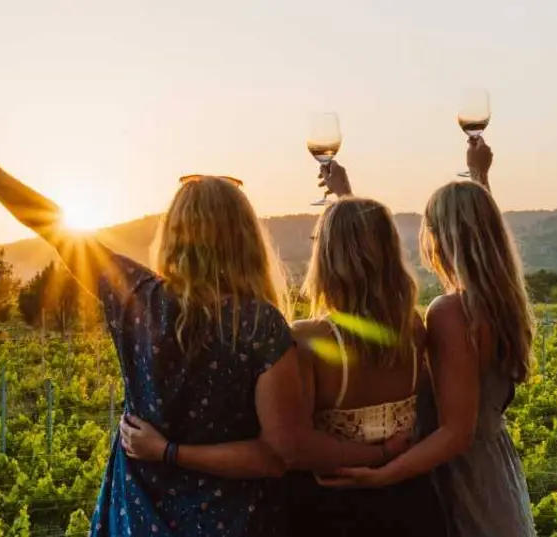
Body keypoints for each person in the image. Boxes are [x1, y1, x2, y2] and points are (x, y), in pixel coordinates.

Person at [0, 110, 408, 537]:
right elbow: (278, 454)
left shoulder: (135, 295)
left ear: (173, 233)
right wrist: (380, 453)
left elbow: (49, 222)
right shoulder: (261, 326)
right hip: (239, 521)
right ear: (244, 238)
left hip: (137, 517)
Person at [121, 161, 448, 536]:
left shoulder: (308, 341)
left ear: (327, 260)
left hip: (333, 510)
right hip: (410, 503)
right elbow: (366, 246)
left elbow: (292, 448)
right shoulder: (412, 330)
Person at [325, 138, 537, 536]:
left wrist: (384, 475)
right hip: (495, 474)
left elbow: (457, 433)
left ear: (439, 238)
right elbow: (484, 230)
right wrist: (480, 177)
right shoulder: (504, 304)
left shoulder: (452, 313)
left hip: (462, 482)